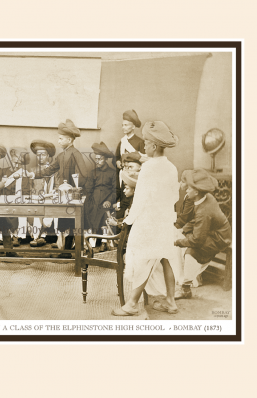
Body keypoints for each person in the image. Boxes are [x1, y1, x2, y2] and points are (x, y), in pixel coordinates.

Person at [111, 121, 180, 316]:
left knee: (143, 259)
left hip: (150, 222)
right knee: (166, 258)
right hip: (165, 220)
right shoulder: (171, 168)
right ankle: (171, 302)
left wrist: (128, 221)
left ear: (154, 146)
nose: (145, 146)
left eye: (147, 143)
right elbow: (174, 197)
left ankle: (132, 304)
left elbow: (140, 199)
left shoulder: (148, 168)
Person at [30, 119, 89, 257]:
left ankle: (72, 252)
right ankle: (66, 251)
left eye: (61, 138)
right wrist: (33, 174)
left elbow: (84, 175)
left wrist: (74, 188)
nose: (59, 141)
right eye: (59, 138)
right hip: (63, 195)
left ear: (70, 139)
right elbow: (50, 170)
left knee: (73, 223)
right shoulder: (61, 155)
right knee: (66, 222)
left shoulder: (76, 154)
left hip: (73, 195)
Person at [173, 168, 232, 299]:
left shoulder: (204, 211)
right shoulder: (205, 198)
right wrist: (183, 230)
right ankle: (186, 278)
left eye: (189, 189)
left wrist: (176, 242)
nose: (186, 190)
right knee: (183, 236)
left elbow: (197, 240)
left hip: (220, 238)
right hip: (212, 230)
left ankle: (185, 288)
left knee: (191, 252)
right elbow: (196, 220)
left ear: (196, 192)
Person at [83, 142, 117, 252]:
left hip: (106, 200)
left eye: (100, 159)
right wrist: (89, 200)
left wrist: (109, 201)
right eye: (96, 159)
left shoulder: (113, 173)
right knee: (87, 210)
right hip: (94, 199)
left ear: (105, 159)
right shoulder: (92, 172)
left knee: (104, 212)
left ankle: (104, 242)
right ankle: (88, 243)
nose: (97, 161)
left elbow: (115, 190)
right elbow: (88, 189)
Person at [28, 139, 57, 247]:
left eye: (43, 154)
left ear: (48, 155)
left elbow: (57, 188)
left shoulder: (55, 170)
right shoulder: (32, 170)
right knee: (37, 212)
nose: (40, 157)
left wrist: (47, 195)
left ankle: (44, 235)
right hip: (37, 201)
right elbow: (30, 188)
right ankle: (37, 238)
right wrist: (34, 196)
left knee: (47, 221)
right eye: (38, 155)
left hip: (51, 201)